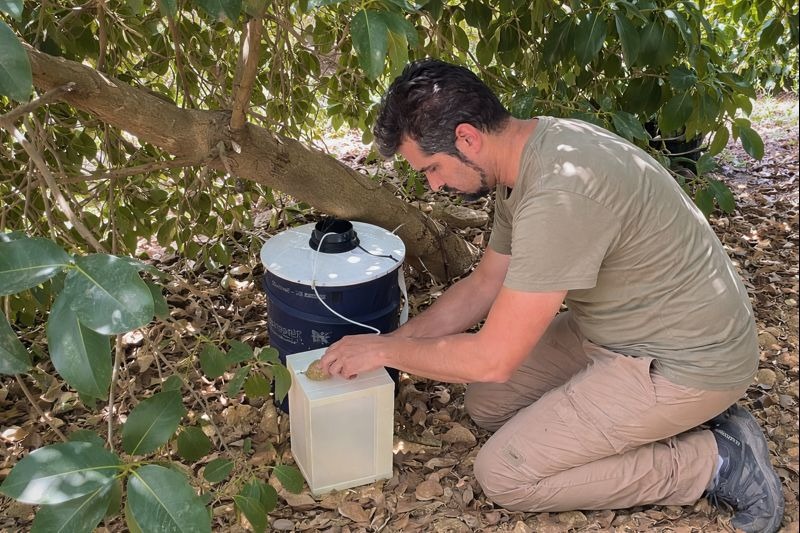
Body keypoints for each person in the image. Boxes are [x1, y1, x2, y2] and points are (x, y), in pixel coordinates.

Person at [319, 59, 785, 532]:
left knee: (506, 475)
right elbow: (484, 284)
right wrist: (392, 346)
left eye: (432, 168)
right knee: (487, 404)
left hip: (687, 362)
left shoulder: (559, 193)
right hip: (619, 329)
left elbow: (493, 358)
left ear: (467, 139)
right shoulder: (528, 157)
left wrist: (384, 352)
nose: (434, 184)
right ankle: (665, 419)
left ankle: (716, 460)